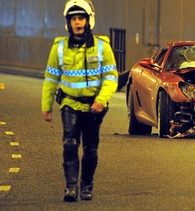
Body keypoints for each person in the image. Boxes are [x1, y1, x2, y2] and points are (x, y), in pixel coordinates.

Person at [41, 0, 118, 202]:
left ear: (88, 20)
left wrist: (101, 100)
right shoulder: (59, 48)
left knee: (90, 148)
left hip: (94, 107)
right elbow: (50, 79)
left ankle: (86, 185)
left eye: (81, 18)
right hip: (69, 104)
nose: (77, 22)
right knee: (69, 143)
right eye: (73, 18)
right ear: (68, 22)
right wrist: (46, 106)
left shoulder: (102, 47)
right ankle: (71, 187)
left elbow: (111, 78)